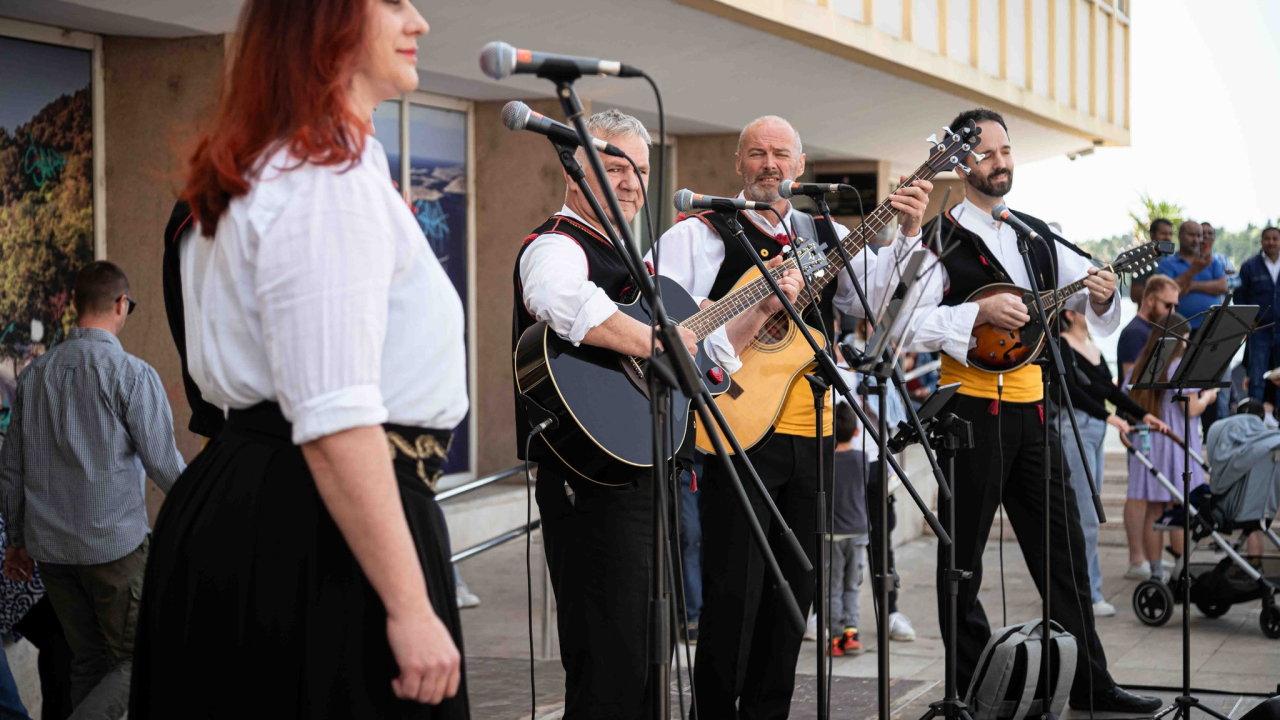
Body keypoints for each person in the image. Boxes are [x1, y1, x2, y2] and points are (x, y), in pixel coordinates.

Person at [130, 0, 467, 716]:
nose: (419, 23)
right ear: (326, 21)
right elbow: (334, 417)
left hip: (259, 502)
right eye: (394, 3)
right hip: (323, 530)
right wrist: (409, 607)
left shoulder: (269, 170)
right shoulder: (324, 183)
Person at [651, 114, 931, 717]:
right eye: (757, 153)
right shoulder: (699, 234)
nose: (769, 164)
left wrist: (906, 234)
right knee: (734, 593)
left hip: (817, 433)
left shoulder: (822, 231)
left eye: (781, 154)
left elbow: (880, 306)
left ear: (801, 167)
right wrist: (759, 311)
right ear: (738, 164)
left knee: (793, 594)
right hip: (738, 427)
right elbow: (666, 332)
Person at [887, 107, 1160, 713]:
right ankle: (975, 686)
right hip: (968, 413)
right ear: (960, 163)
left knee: (1062, 552)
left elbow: (1093, 311)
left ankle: (1090, 679)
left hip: (1033, 413)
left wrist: (1106, 294)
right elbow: (904, 326)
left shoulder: (1038, 234)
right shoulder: (935, 237)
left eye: (1006, 150)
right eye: (987, 153)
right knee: (962, 560)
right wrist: (975, 314)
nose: (1001, 162)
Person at [514, 109, 760, 718]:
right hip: (589, 481)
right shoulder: (555, 245)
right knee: (609, 670)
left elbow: (706, 355)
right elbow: (556, 297)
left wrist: (753, 308)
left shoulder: (640, 269)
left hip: (646, 477)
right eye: (615, 167)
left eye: (641, 171)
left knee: (649, 663)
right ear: (576, 173)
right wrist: (653, 340)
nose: (632, 183)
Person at [0, 261, 185, 720]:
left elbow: (12, 469)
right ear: (121, 305)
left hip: (52, 553)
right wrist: (202, 518)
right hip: (114, 549)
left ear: (77, 306)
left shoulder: (35, 376)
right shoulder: (131, 374)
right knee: (137, 659)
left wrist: (18, 541)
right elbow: (166, 466)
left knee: (90, 661)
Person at [1057, 309, 1169, 617]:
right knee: (1085, 516)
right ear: (1070, 313)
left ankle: (1085, 592)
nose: (1094, 314)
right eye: (1086, 309)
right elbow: (1071, 392)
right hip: (1074, 427)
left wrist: (1139, 413)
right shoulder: (1063, 345)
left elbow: (1108, 390)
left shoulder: (1092, 347)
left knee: (1089, 513)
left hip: (1093, 428)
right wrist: (1110, 417)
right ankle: (1088, 595)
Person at [1123, 315, 1217, 581]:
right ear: (1180, 339)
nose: (1187, 345)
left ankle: (1155, 571)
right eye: (1185, 339)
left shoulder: (1140, 367)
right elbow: (1191, 410)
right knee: (1179, 508)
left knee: (1154, 510)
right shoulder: (1179, 366)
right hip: (1176, 443)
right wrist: (1208, 396)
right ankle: (1180, 571)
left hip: (1150, 443)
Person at [826, 402, 868, 656]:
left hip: (832, 533)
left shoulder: (826, 462)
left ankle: (834, 637)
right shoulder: (862, 459)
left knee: (833, 586)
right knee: (853, 584)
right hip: (858, 531)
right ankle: (852, 633)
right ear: (857, 432)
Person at [1233, 226, 1280, 404]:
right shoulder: (1249, 266)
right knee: (1256, 377)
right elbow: (1239, 297)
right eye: (1267, 238)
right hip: (1259, 330)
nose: (1271, 242)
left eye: (1275, 238)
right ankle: (1254, 419)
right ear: (1261, 241)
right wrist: (1248, 321)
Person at [1156, 220, 1226, 331]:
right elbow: (1167, 293)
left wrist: (1192, 286)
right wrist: (1194, 269)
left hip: (1211, 329)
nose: (1196, 240)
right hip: (1177, 329)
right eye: (1191, 235)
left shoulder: (1212, 261)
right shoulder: (1166, 264)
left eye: (1199, 236)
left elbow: (1222, 286)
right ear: (1180, 235)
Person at [1117, 274, 1180, 386]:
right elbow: (1131, 384)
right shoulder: (1134, 333)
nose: (1173, 312)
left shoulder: (1153, 330)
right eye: (1168, 305)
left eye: (1176, 306)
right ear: (1150, 300)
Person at [1128, 219, 1174, 307]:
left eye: (1170, 234)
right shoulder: (1144, 259)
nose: (1168, 237)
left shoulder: (1172, 259)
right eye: (1163, 233)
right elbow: (1135, 295)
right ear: (1152, 234)